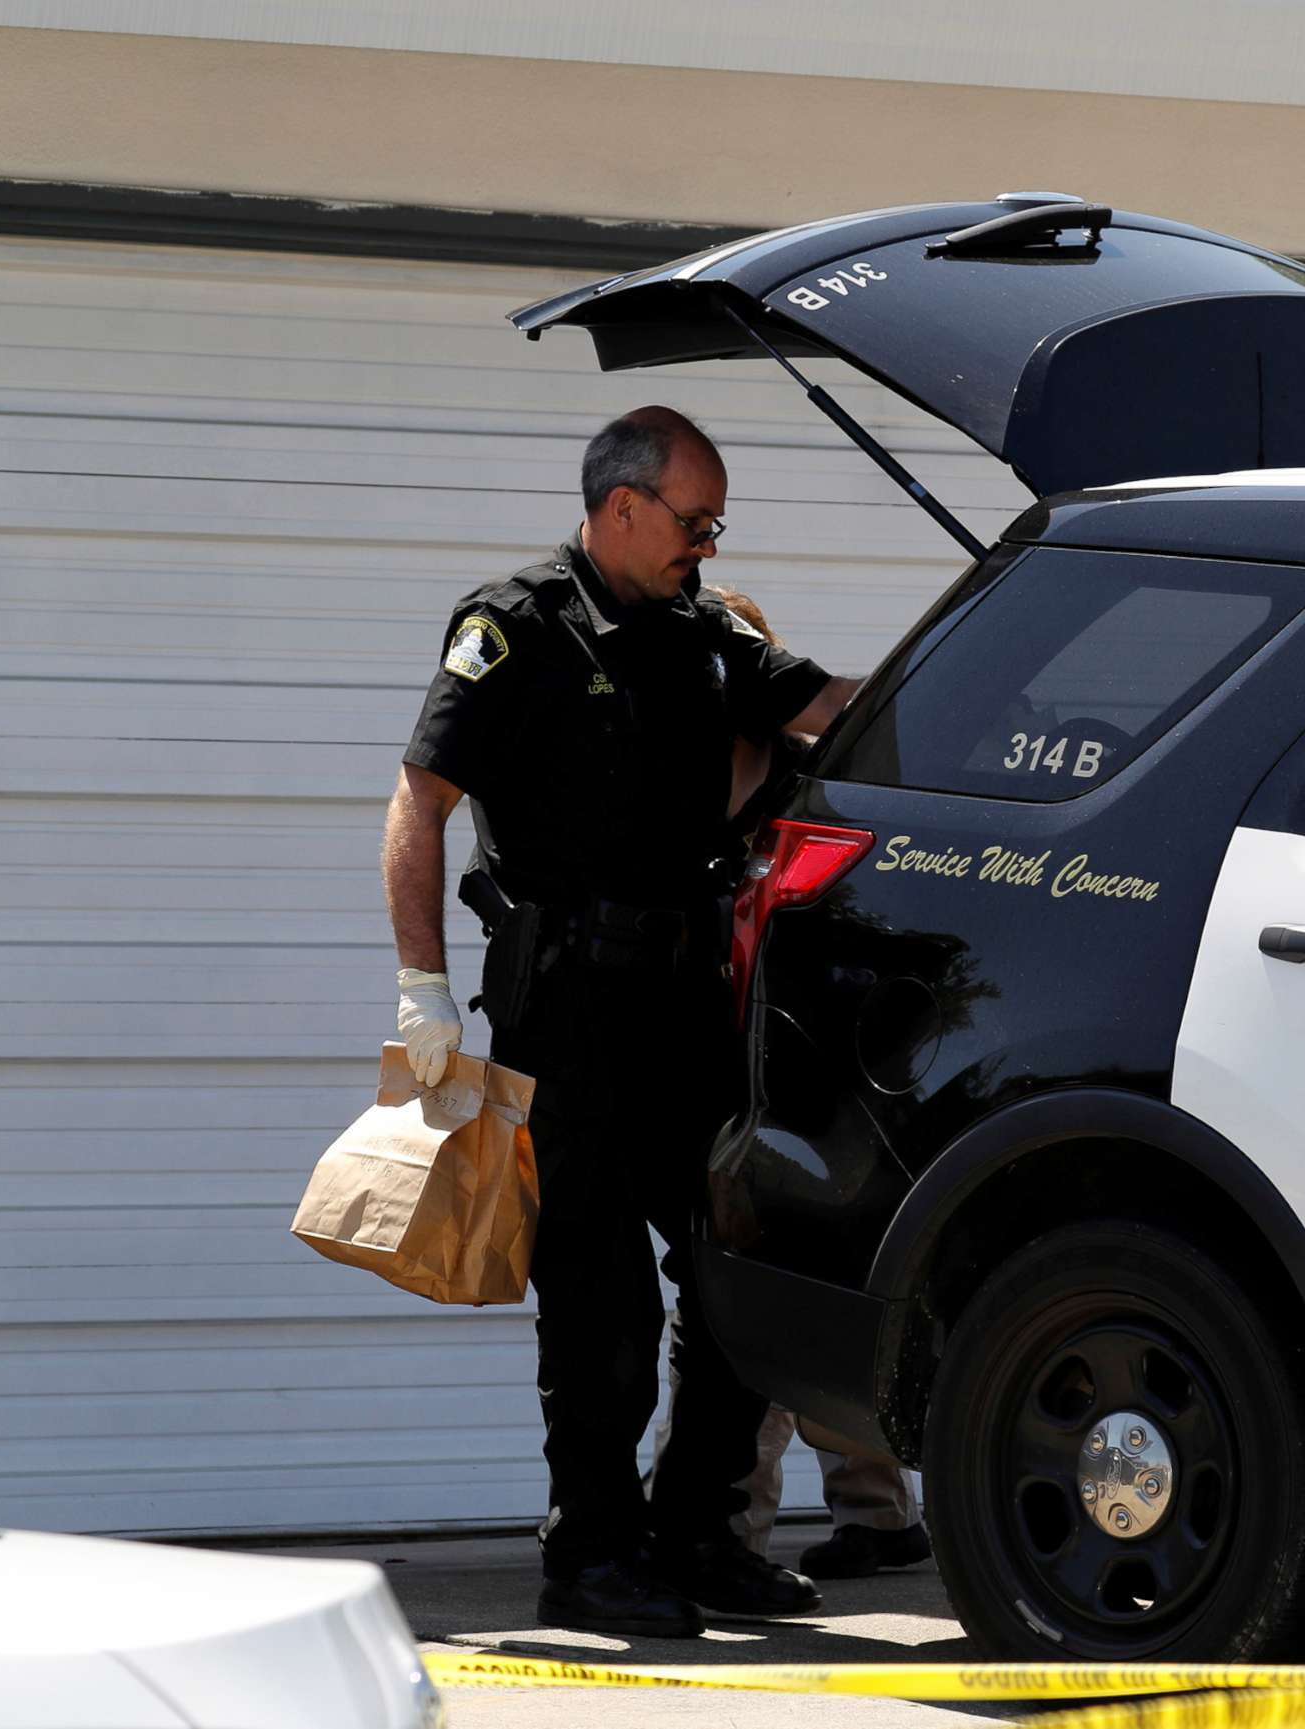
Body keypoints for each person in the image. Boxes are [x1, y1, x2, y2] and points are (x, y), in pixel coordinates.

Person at [380, 406, 859, 1639]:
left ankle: (697, 1533)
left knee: (732, 1271)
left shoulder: (706, 636)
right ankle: (590, 1553)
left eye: (715, 527)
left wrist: (982, 682)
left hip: (687, 1003)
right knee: (601, 1303)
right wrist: (421, 986)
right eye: (692, 521)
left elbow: (830, 710)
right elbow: (419, 802)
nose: (705, 544)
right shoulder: (518, 625)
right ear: (622, 504)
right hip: (572, 1006)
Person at [645, 585, 935, 1582]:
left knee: (768, 1290)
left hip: (805, 1074)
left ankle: (743, 1527)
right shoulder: (666, 781)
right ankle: (775, 1518)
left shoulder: (822, 786)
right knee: (739, 1289)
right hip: (698, 1069)